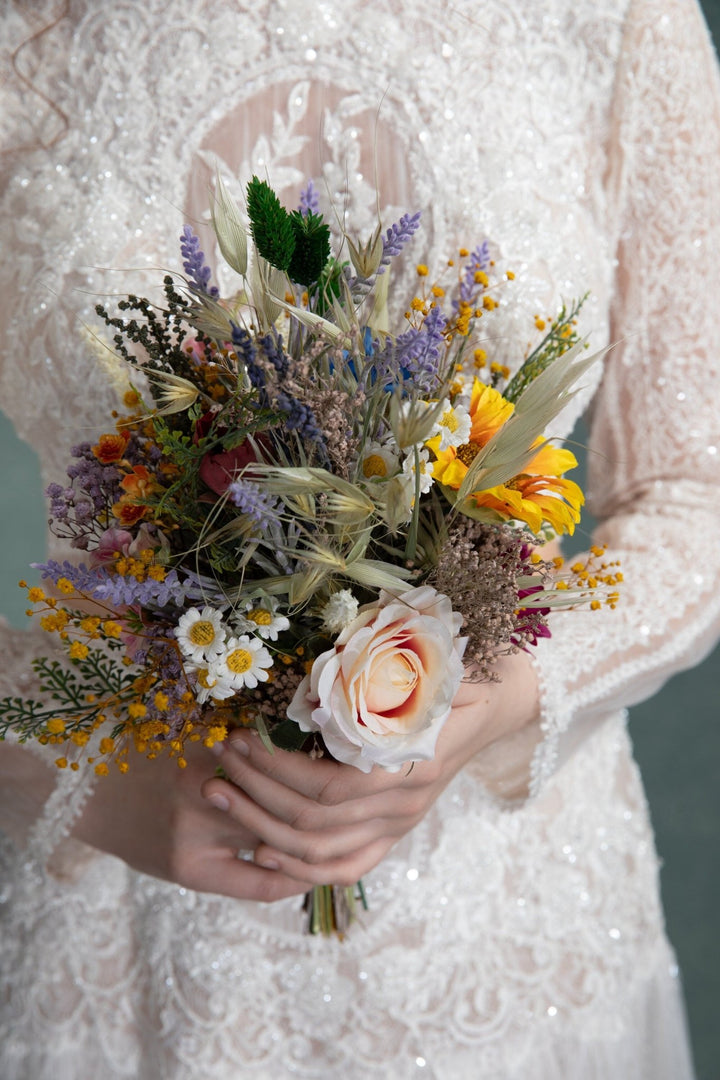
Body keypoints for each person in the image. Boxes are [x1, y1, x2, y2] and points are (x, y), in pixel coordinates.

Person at [1, 0, 718, 1076]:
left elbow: (693, 492)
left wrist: (492, 702)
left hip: (520, 943)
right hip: (128, 958)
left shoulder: (617, 17)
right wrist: (78, 777)